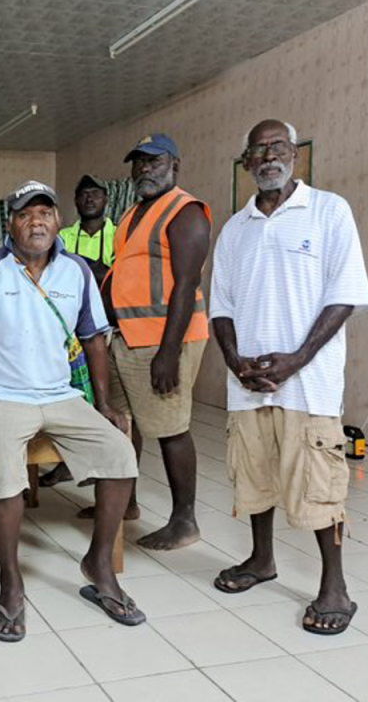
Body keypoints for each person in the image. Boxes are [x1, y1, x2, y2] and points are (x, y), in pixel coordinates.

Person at [0, 181, 144, 642]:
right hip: (1, 394)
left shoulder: (76, 270)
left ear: (58, 222)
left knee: (120, 454)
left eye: (44, 212)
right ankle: (10, 583)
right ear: (9, 223)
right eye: (24, 213)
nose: (35, 221)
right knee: (5, 476)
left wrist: (103, 405)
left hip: (59, 394)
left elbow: (95, 338)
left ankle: (98, 564)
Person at [210, 119, 368, 635]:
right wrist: (237, 362)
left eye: (276, 146)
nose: (267, 156)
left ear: (294, 155)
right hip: (249, 383)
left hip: (309, 381)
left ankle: (335, 587)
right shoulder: (235, 228)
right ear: (247, 163)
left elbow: (344, 295)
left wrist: (297, 358)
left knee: (320, 484)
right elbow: (221, 309)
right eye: (256, 150)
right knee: (254, 477)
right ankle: (261, 560)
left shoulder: (329, 211)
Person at [102, 133, 211, 550]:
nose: (145, 169)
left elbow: (186, 284)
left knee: (170, 428)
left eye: (155, 161)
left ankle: (184, 521)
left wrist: (168, 352)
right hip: (126, 337)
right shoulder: (132, 214)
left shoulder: (185, 211)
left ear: (175, 164)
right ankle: (125, 502)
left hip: (164, 340)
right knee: (122, 424)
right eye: (139, 163)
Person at [40, 173, 124, 493]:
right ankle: (66, 463)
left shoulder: (118, 235)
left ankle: (99, 466)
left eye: (96, 193)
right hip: (66, 334)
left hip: (106, 332)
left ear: (106, 199)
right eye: (83, 194)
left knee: (103, 400)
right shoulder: (63, 235)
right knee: (71, 401)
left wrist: (83, 266)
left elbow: (118, 281)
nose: (90, 199)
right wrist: (94, 269)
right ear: (75, 202)